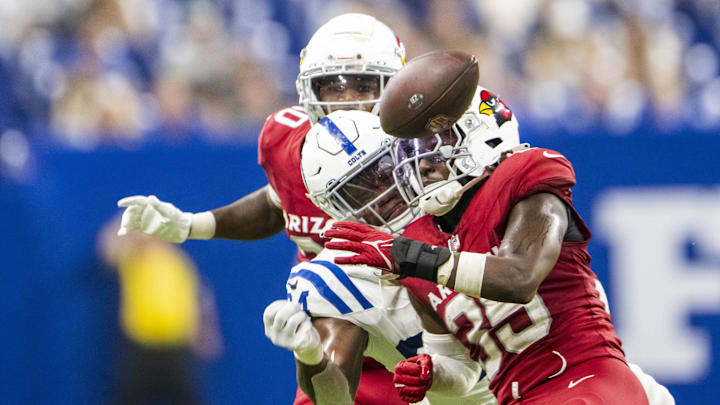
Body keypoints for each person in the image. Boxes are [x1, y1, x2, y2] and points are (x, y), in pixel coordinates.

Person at [115, 13, 410, 405]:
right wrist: (192, 224)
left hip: (421, 352)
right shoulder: (291, 143)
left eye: (362, 84)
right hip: (331, 343)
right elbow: (277, 204)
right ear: (309, 91)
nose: (347, 100)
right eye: (332, 86)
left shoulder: (427, 156)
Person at [322, 87, 676, 404]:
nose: (423, 161)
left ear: (480, 135)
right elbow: (461, 373)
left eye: (433, 145)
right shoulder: (418, 241)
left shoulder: (526, 178)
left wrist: (407, 256)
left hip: (586, 379)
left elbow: (519, 278)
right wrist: (430, 373)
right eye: (413, 149)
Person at [263, 109, 495, 405]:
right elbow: (334, 400)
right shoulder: (341, 274)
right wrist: (310, 355)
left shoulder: (460, 191)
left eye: (384, 171)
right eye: (358, 190)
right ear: (333, 207)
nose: (381, 193)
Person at [97, 216, 224, 405]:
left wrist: (206, 332)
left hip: (176, 347)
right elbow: (106, 250)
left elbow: (199, 299)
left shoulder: (179, 262)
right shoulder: (133, 257)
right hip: (141, 346)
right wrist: (128, 221)